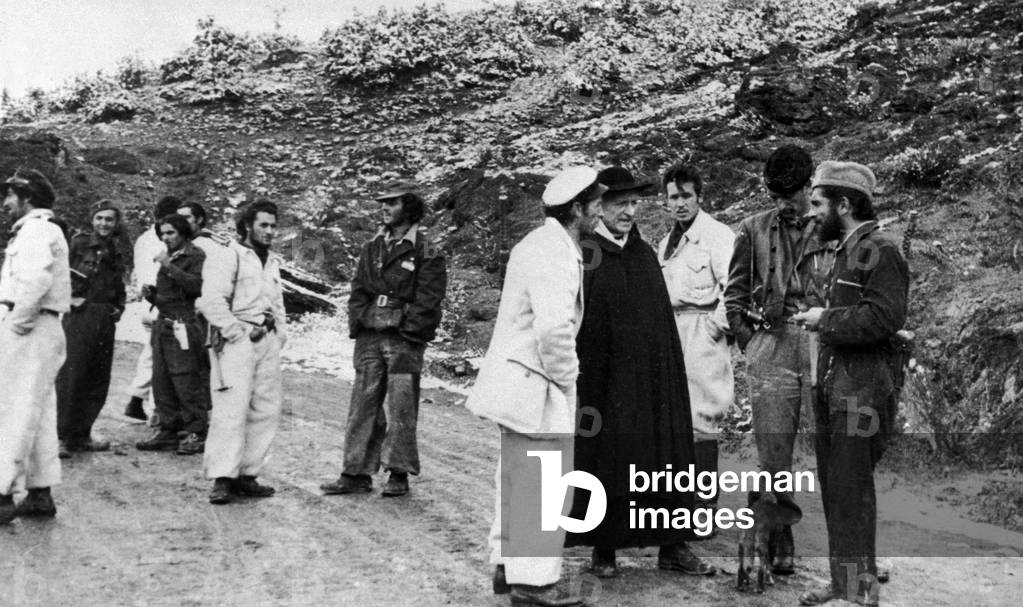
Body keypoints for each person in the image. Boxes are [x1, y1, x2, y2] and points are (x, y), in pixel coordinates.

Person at [567, 166, 715, 578]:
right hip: (606, 379)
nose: (629, 212)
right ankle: (604, 547)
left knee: (664, 454)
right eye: (619, 204)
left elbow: (660, 323)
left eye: (634, 203)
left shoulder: (644, 253)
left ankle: (673, 545)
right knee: (606, 456)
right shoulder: (587, 252)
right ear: (599, 207)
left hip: (652, 379)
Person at [467, 166, 604, 607]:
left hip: (521, 379)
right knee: (542, 480)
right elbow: (553, 332)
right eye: (596, 204)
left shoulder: (544, 243)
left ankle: (509, 567)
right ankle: (533, 584)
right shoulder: (554, 251)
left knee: (518, 476)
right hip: (537, 381)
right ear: (577, 209)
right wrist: (568, 383)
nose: (601, 211)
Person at [792, 162, 908, 607]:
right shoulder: (849, 248)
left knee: (852, 486)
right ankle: (843, 582)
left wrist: (826, 320)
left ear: (844, 204)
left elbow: (884, 317)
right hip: (836, 388)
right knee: (837, 485)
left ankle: (860, 588)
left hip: (861, 393)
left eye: (819, 203)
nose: (812, 212)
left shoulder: (881, 249)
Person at [723, 145, 834, 574]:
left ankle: (852, 550)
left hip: (821, 345)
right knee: (773, 451)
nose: (782, 203)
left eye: (791, 194)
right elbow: (733, 296)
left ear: (810, 186)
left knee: (833, 446)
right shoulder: (751, 230)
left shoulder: (831, 227)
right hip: (771, 345)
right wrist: (751, 342)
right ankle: (779, 532)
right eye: (775, 195)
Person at [320, 184, 447, 498]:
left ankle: (398, 473)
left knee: (402, 406)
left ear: (409, 207)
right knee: (362, 404)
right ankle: (355, 472)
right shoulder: (372, 247)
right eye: (383, 203)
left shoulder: (427, 250)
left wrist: (408, 331)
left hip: (403, 340)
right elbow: (358, 289)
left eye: (391, 203)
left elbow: (429, 299)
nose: (384, 208)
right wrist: (361, 322)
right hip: (370, 337)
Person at [657, 162, 735, 524]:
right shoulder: (666, 243)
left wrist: (714, 330)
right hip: (672, 332)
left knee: (703, 420)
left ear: (699, 197)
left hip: (703, 332)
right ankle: (680, 507)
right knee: (675, 420)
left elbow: (733, 289)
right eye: (673, 196)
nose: (680, 203)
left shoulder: (717, 235)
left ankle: (703, 511)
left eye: (686, 195)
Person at [196, 200, 286, 505]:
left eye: (273, 226)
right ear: (248, 225)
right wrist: (236, 332)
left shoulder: (271, 262)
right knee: (231, 408)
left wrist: (280, 336)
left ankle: (248, 475)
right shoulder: (230, 254)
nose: (270, 231)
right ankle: (223, 478)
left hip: (268, 339)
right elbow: (211, 301)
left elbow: (278, 304)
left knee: (264, 408)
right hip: (239, 339)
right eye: (264, 225)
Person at [0, 169, 71, 523]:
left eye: (10, 196)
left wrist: (18, 322)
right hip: (41, 325)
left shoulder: (36, 230)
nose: (5, 204)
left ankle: (1, 494)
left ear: (26, 197)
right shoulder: (40, 230)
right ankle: (40, 492)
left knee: (14, 409)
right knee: (39, 411)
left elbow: (35, 279)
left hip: (31, 325)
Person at [56, 199, 127, 456]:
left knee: (98, 377)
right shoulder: (78, 243)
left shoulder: (115, 249)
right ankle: (61, 436)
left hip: (104, 317)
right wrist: (69, 298)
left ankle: (82, 434)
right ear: (92, 220)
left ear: (116, 223)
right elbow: (59, 272)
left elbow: (118, 283)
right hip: (81, 315)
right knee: (72, 374)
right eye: (100, 218)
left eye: (109, 219)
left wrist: (120, 306)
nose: (104, 224)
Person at [136, 214, 208, 455]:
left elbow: (195, 286)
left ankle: (197, 431)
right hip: (163, 323)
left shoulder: (194, 255)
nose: (166, 238)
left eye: (171, 233)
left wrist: (168, 265)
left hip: (183, 325)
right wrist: (152, 295)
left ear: (183, 233)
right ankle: (169, 429)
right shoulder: (171, 256)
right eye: (163, 233)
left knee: (186, 380)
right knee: (162, 379)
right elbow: (171, 294)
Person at [124, 196, 179, 421]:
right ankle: (157, 411)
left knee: (152, 352)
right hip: (161, 300)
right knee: (162, 357)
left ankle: (136, 400)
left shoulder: (143, 239)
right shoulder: (165, 240)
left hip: (146, 303)